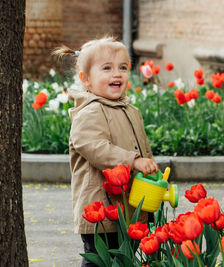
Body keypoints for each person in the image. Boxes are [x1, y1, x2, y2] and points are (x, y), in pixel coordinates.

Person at [53, 36, 159, 267]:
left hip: (126, 206)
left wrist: (149, 169)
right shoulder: (89, 112)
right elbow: (95, 147)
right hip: (100, 207)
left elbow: (141, 147)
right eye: (107, 68)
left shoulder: (130, 110)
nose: (117, 74)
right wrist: (135, 161)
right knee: (100, 260)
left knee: (123, 258)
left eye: (123, 67)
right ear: (86, 79)